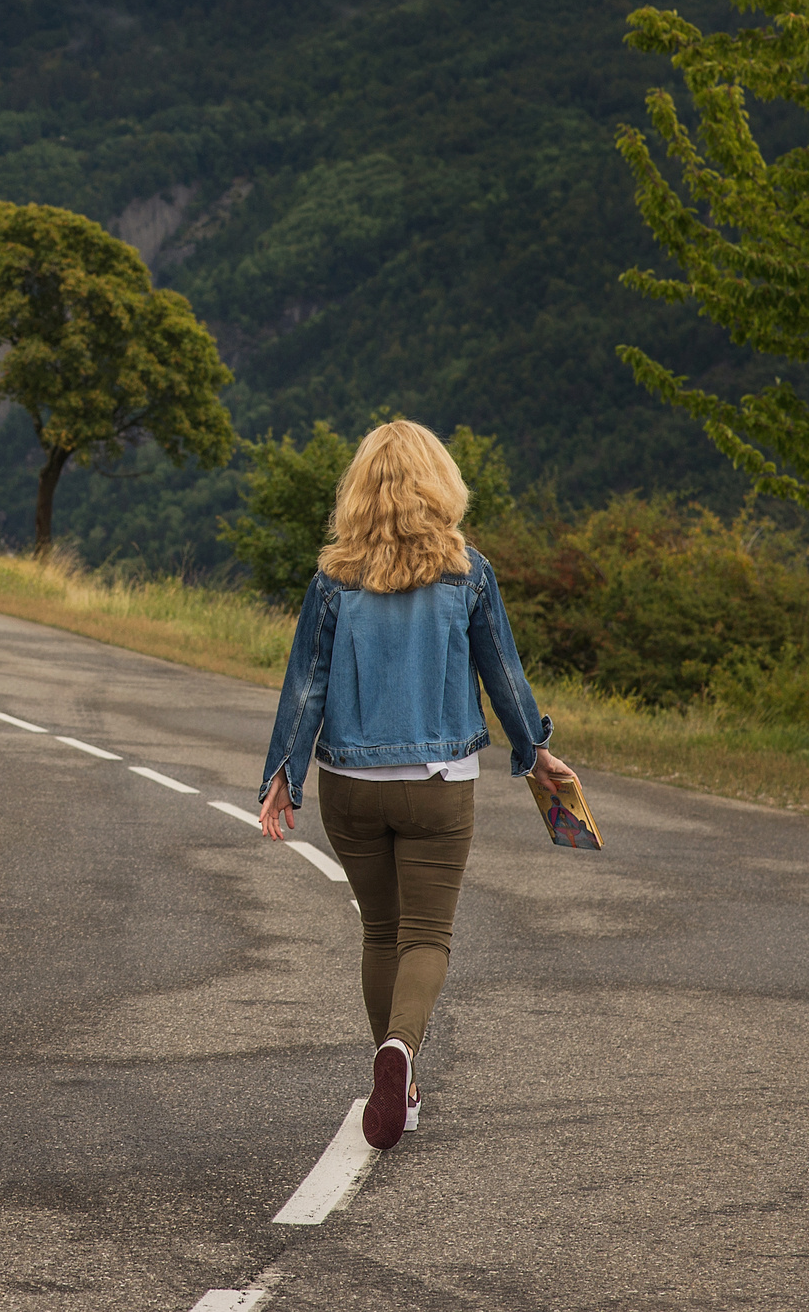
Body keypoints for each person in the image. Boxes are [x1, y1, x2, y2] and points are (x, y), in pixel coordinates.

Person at [254, 419, 575, 1151]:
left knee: (379, 928)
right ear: (441, 484)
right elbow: (505, 676)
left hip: (350, 784)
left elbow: (307, 686)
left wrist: (284, 775)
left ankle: (395, 1080)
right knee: (426, 934)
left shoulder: (332, 579)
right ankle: (399, 1053)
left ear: (359, 492)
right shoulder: (470, 572)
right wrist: (536, 754)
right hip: (438, 785)